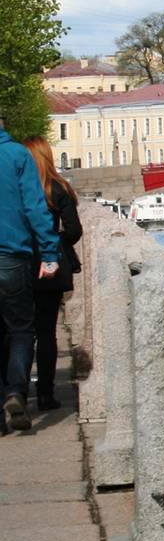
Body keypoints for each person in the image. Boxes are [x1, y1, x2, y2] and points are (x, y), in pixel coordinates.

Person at [0, 118, 60, 433]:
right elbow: (35, 208)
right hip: (12, 256)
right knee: (21, 329)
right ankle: (15, 391)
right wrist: (49, 253)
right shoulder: (17, 156)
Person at [20, 139, 79, 413]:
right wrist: (57, 241)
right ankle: (45, 393)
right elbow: (74, 230)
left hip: (20, 262)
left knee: (18, 332)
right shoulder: (58, 188)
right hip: (50, 265)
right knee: (46, 333)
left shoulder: (19, 189)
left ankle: (17, 391)